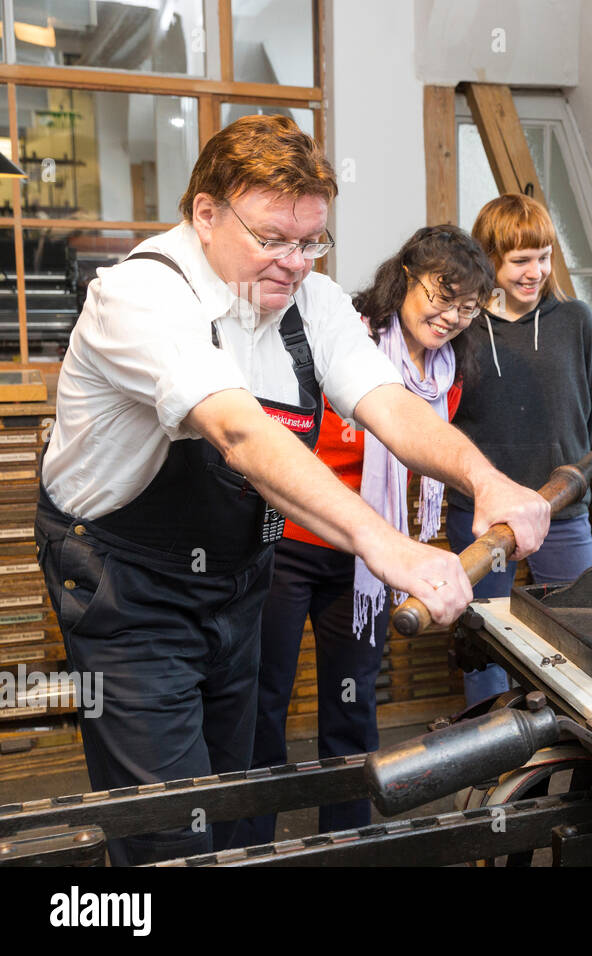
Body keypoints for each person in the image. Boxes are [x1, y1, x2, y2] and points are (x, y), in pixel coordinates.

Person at [34, 116, 549, 866]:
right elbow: (239, 433)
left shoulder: (311, 300)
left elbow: (388, 400)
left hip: (238, 581)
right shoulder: (141, 296)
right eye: (273, 239)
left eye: (312, 242)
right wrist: (384, 543)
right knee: (169, 828)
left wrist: (486, 478)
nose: (295, 262)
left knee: (239, 793)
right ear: (204, 213)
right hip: (127, 591)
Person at [235, 226, 493, 845]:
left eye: (468, 306)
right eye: (441, 295)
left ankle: (347, 841)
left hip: (366, 562)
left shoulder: (446, 372)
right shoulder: (338, 336)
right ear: (404, 276)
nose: (452, 316)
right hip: (289, 543)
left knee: (353, 707)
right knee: (262, 702)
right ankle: (250, 843)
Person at [445, 193, 592, 706]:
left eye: (543, 257)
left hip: (560, 513)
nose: (535, 271)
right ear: (489, 259)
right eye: (520, 260)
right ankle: (488, 762)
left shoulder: (577, 321)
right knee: (485, 641)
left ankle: (575, 754)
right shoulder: (461, 328)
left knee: (584, 638)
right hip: (480, 518)